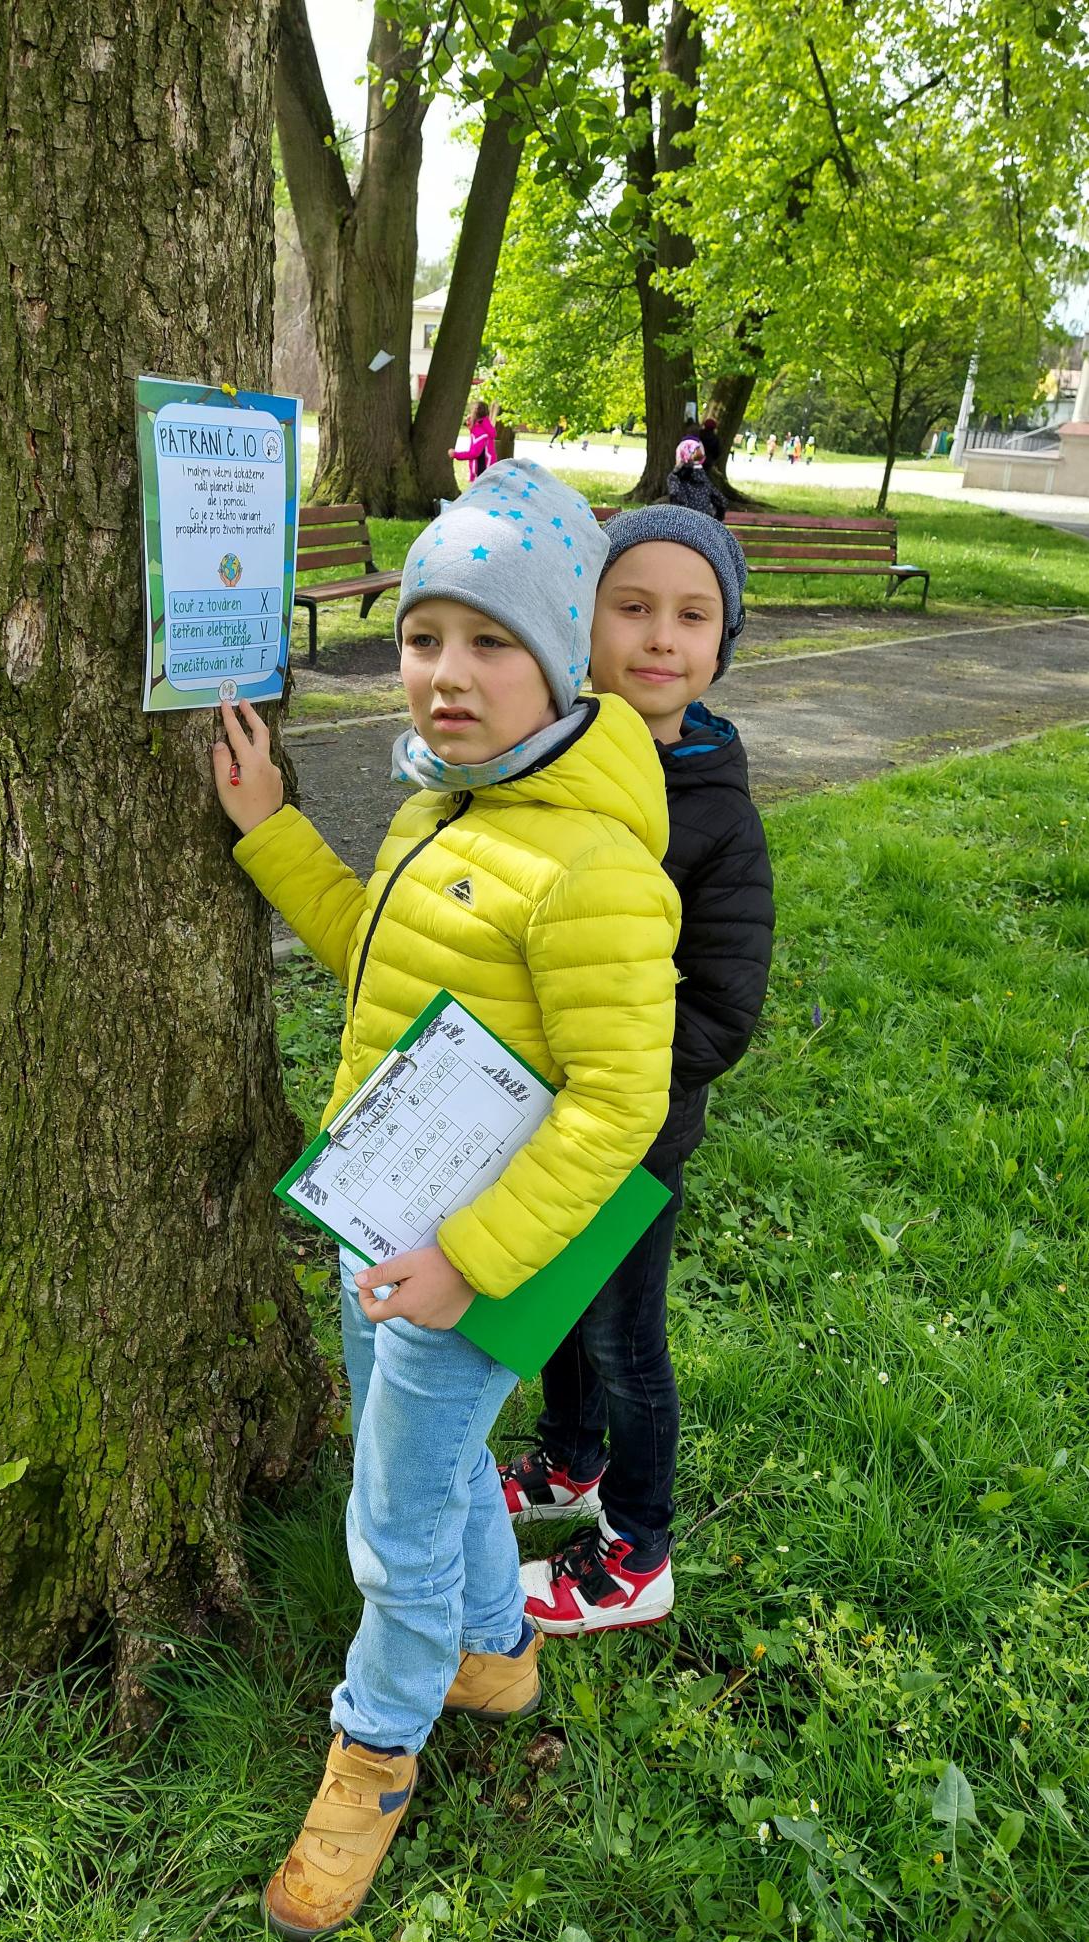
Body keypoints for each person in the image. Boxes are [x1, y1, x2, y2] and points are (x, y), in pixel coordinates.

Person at [213, 459, 680, 1940]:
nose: (446, 673)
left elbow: (619, 1102)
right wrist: (271, 829)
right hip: (385, 1222)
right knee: (428, 1468)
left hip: (469, 1262)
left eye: (491, 641)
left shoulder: (591, 863)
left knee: (394, 1517)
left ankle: (374, 1755)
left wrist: (468, 1260)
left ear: (562, 663)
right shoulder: (445, 810)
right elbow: (379, 953)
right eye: (423, 636)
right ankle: (492, 1649)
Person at [499, 500, 774, 1633]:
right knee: (558, 1312)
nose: (661, 636)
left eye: (692, 616)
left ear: (721, 642)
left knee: (622, 1336)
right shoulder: (543, 758)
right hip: (536, 1117)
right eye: (633, 607)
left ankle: (636, 1550)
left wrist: (613, 1087)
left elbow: (720, 1006)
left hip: (632, 1133)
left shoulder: (715, 811)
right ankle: (567, 1460)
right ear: (583, 620)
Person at [448, 399, 497, 482]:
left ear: (474, 414)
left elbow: (474, 453)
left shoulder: (480, 433)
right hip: (487, 471)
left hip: (482, 473)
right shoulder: (485, 427)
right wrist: (472, 427)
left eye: (471, 412)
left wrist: (455, 454)